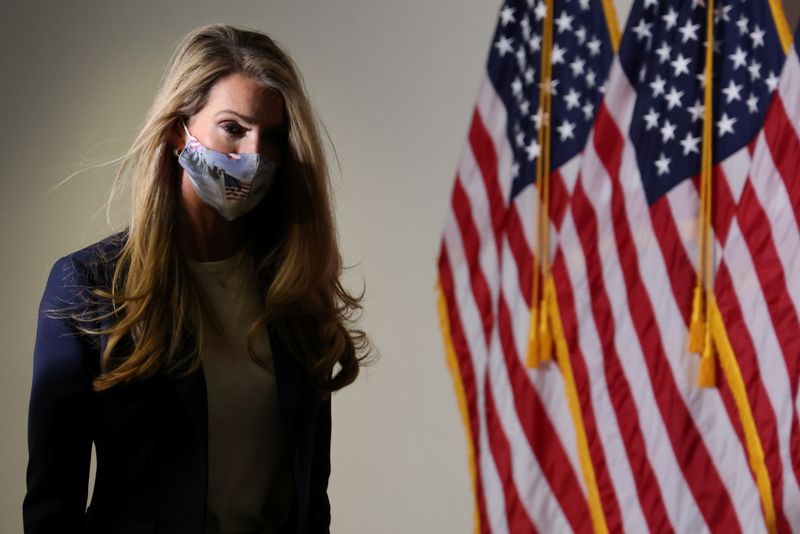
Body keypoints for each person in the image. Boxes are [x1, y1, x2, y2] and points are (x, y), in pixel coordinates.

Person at [22, 23, 371, 534]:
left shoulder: (293, 290)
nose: (254, 157)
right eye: (233, 127)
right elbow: (53, 503)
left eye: (272, 136)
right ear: (176, 131)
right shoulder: (91, 286)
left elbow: (309, 496)